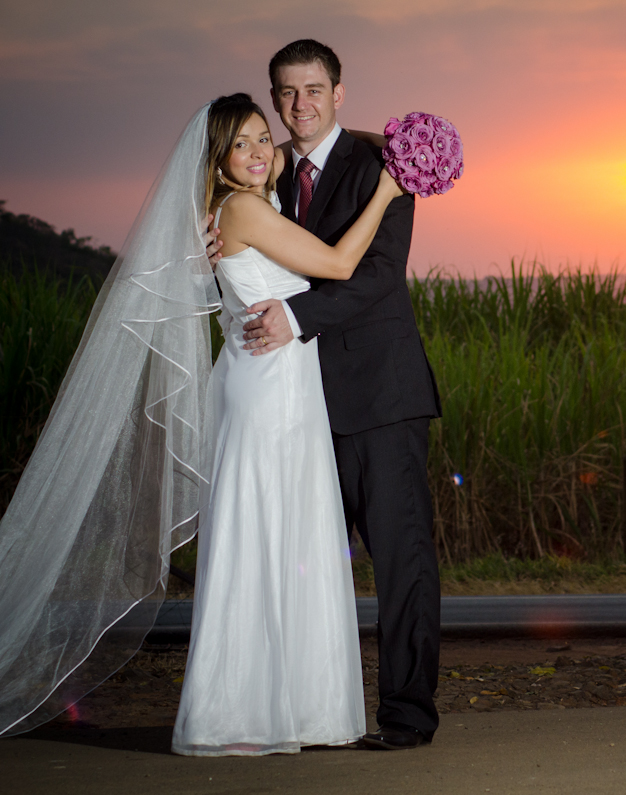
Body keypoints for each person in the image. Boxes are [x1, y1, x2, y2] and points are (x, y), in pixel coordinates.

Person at [212, 39, 443, 751]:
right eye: (286, 93)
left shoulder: (383, 167)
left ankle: (406, 715)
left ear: (339, 93)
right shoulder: (265, 170)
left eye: (313, 90)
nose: (299, 105)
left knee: (400, 560)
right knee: (303, 562)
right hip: (296, 406)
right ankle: (302, 708)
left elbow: (375, 276)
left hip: (379, 396)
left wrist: (297, 316)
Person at [172, 93, 404, 756]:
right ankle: (243, 710)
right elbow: (335, 265)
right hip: (269, 387)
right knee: (269, 533)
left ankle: (291, 705)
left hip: (282, 383)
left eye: (259, 139)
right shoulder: (243, 208)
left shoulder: (248, 206)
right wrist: (387, 189)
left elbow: (296, 166)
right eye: (237, 144)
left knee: (287, 534)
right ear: (216, 158)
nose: (254, 153)